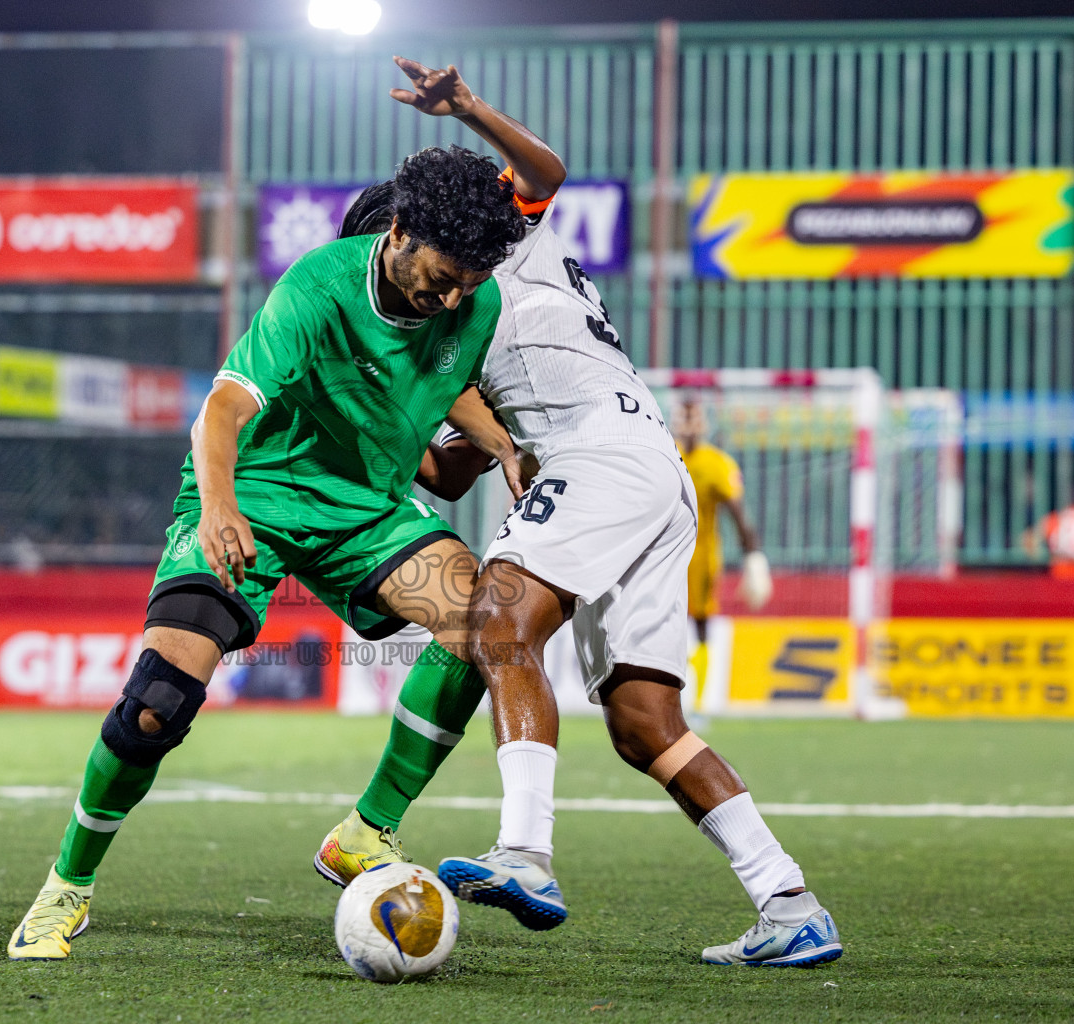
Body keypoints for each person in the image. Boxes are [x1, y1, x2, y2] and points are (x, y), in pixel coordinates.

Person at [321, 57, 842, 968]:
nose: (402, 298)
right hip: (644, 468)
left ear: (404, 237)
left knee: (496, 619)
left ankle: (524, 853)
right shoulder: (451, 336)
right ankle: (789, 901)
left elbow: (545, 175)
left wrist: (468, 107)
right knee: (646, 722)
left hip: (598, 450)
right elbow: (450, 474)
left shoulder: (487, 246)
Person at [5, 141, 530, 960]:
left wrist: (501, 444)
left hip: (366, 513)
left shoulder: (473, 304)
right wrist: (218, 509)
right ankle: (65, 888)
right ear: (397, 233)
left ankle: (366, 830)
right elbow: (222, 407)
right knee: (157, 703)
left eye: (472, 278)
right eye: (446, 271)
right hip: (252, 500)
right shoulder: (318, 287)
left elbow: (439, 405)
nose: (457, 292)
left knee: (492, 621)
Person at [673, 397, 772, 702]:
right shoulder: (664, 454)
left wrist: (753, 557)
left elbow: (739, 514)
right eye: (684, 417)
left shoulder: (717, 463)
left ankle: (700, 702)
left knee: (701, 626)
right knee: (662, 626)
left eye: (695, 418)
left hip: (701, 558)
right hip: (662, 558)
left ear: (704, 424)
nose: (689, 425)